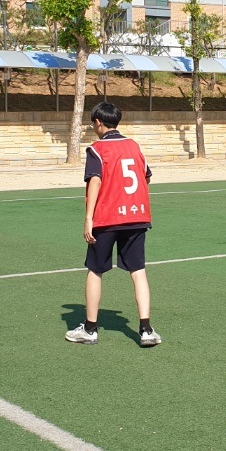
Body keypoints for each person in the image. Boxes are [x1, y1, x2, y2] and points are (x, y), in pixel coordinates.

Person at [66, 101, 161, 347]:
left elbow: (95, 181)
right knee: (138, 271)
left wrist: (88, 218)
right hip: (137, 216)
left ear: (98, 122)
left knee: (96, 270)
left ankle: (90, 329)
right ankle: (146, 329)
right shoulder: (134, 146)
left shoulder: (97, 149)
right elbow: (146, 176)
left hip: (107, 218)